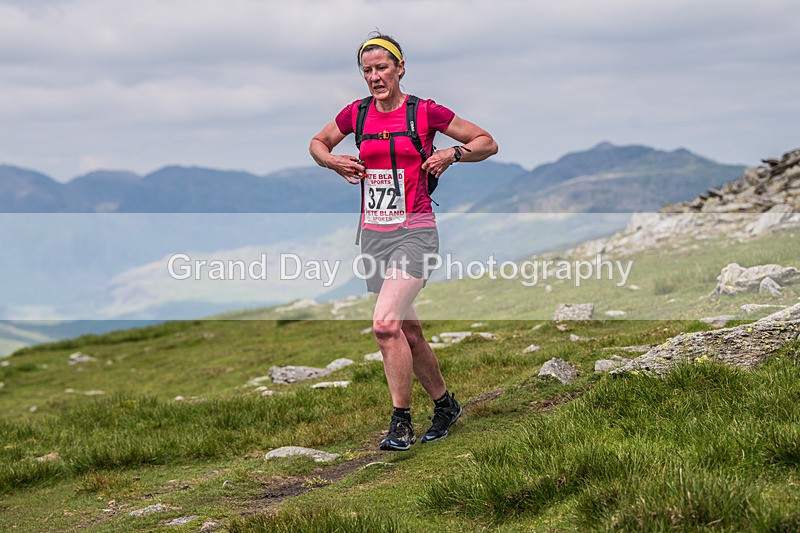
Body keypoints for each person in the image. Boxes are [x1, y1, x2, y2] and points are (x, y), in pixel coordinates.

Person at [309, 33, 498, 451]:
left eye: (382, 68)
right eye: (367, 70)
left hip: (416, 230)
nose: (375, 77)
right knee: (409, 332)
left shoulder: (424, 112)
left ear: (400, 67)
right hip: (373, 236)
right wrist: (333, 160)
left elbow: (487, 142)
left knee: (385, 324)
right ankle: (446, 405)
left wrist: (453, 154)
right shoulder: (355, 115)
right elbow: (317, 143)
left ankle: (400, 422)